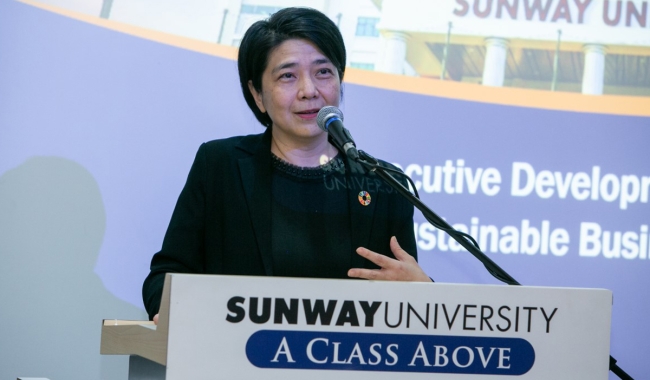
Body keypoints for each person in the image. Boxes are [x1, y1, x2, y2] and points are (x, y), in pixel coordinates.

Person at [142, 7, 432, 322]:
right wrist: (173, 310)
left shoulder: (383, 184)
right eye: (287, 76)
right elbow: (166, 276)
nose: (309, 91)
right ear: (257, 94)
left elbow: (405, 301)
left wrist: (425, 293)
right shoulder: (220, 166)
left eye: (323, 72)